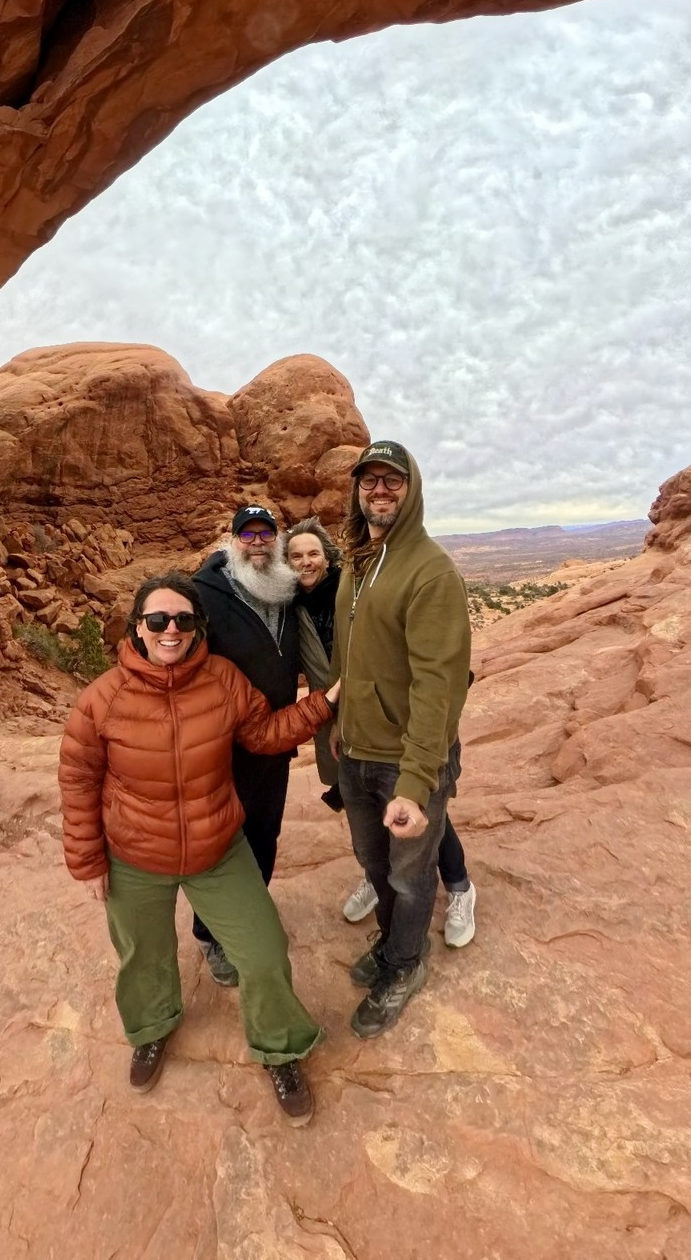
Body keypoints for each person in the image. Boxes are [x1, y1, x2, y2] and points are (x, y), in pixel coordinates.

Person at [59, 572, 339, 1124]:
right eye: (157, 619)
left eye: (182, 619)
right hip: (136, 857)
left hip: (218, 850)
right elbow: (78, 780)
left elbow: (264, 734)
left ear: (197, 628)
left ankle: (280, 1047)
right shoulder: (102, 700)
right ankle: (151, 1028)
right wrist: (88, 861)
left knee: (263, 952)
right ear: (137, 629)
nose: (171, 629)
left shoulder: (223, 681)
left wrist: (323, 704)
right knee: (144, 956)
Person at [333, 440, 473, 1039]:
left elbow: (438, 686)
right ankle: (394, 941)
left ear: (411, 490)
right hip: (356, 753)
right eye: (369, 480)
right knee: (374, 863)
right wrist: (341, 728)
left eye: (392, 480)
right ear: (357, 490)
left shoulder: (430, 571)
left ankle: (406, 963)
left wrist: (416, 783)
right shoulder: (359, 562)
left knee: (409, 876)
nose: (380, 490)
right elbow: (352, 659)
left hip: (405, 763)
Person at [289, 517, 478, 949]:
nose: (306, 562)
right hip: (341, 718)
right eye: (296, 556)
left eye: (313, 553)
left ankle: (460, 887)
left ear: (327, 557)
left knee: (420, 805)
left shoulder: (356, 583)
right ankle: (379, 879)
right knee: (365, 803)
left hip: (392, 718)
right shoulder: (293, 605)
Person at [187, 505, 303, 987]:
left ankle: (251, 910)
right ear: (233, 540)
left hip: (277, 741)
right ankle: (209, 934)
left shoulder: (286, 587)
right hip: (225, 745)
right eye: (248, 534)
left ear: (277, 540)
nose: (257, 542)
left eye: (266, 533)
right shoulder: (206, 592)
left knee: (264, 834)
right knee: (219, 842)